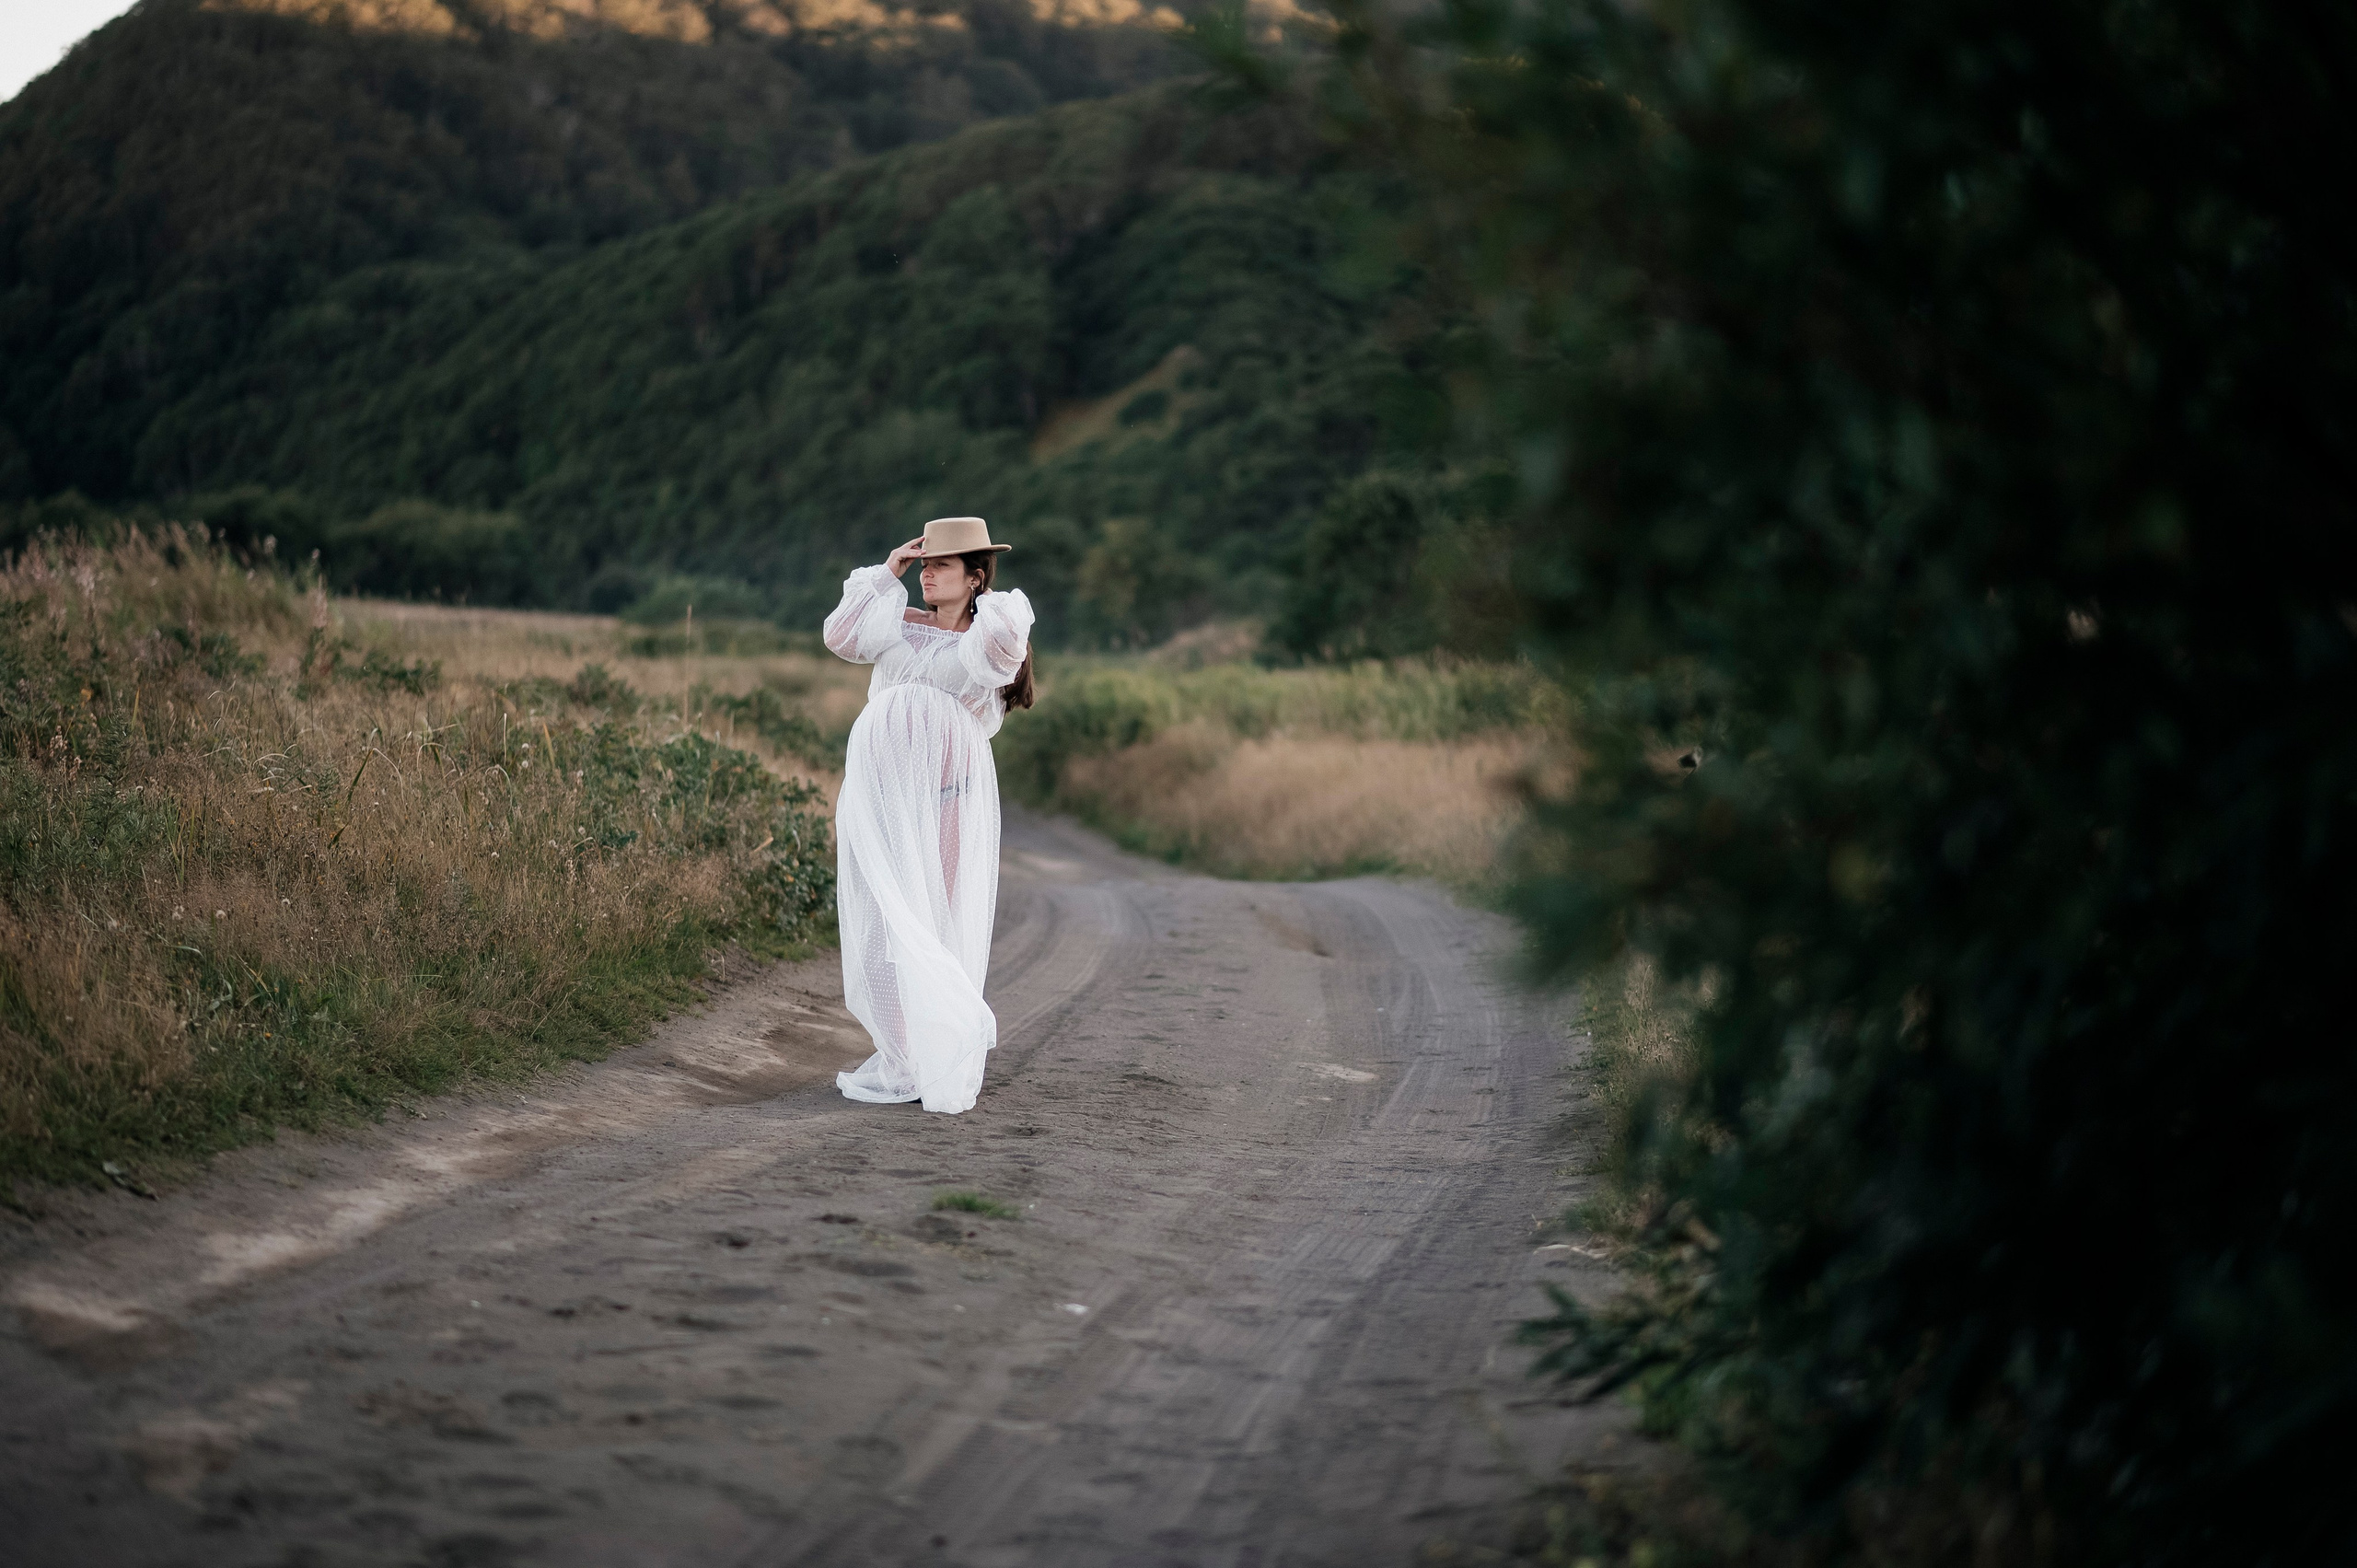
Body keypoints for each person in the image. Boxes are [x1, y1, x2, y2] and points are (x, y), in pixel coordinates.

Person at [821, 517, 1037, 1113]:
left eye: (942, 565)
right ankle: (902, 1057)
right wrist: (888, 571)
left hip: (949, 799)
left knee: (932, 924)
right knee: (880, 925)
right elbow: (840, 636)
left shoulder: (987, 638)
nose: (928, 574)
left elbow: (1001, 654)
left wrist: (989, 604)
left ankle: (943, 1044)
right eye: (925, 564)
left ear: (975, 577)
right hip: (881, 798)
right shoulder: (895, 624)